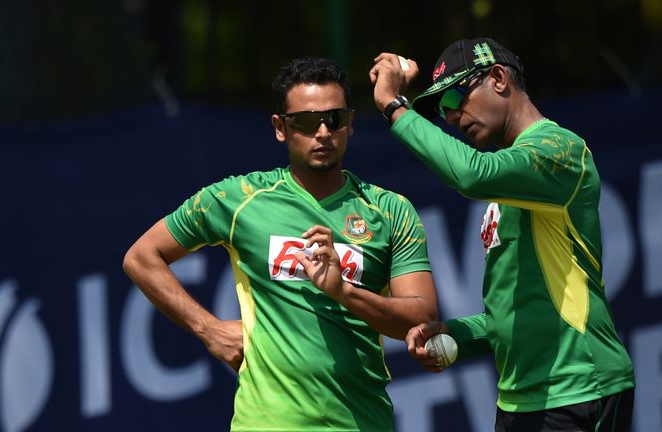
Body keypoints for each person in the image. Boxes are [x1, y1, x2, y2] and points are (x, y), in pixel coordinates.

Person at [123, 57, 439, 431]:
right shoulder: (239, 198)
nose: (322, 132)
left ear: (350, 124)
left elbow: (422, 320)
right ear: (280, 128)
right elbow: (141, 257)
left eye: (334, 119)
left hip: (362, 421)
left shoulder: (390, 210)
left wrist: (344, 291)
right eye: (305, 121)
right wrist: (208, 330)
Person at [368, 37, 636, 431]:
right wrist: (455, 333)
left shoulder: (559, 149)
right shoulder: (502, 194)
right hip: (518, 400)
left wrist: (395, 106)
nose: (454, 118)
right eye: (444, 112)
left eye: (456, 99)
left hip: (580, 388)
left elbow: (471, 174)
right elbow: (509, 315)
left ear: (497, 78)